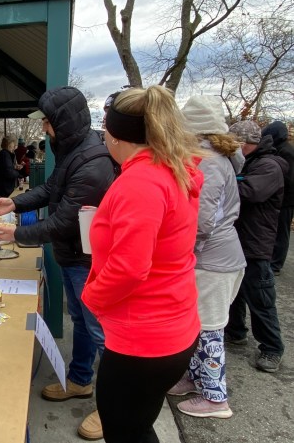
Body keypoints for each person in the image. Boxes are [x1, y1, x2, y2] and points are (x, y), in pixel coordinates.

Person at [0, 86, 117, 441]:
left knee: (102, 334)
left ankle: (114, 410)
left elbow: (64, 219)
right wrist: (13, 205)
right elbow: (51, 191)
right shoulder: (75, 150)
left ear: (63, 121)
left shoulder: (94, 161)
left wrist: (15, 235)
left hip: (87, 260)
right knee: (83, 323)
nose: (44, 128)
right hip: (73, 257)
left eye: (47, 121)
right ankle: (80, 380)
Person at [81, 86, 204, 442]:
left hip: (143, 339)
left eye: (104, 127)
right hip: (174, 327)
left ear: (116, 133)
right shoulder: (170, 171)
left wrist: (92, 298)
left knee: (124, 431)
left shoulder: (141, 182)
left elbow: (130, 268)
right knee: (138, 424)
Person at [168, 95, 246, 419]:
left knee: (211, 328)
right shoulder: (217, 157)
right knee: (198, 326)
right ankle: (195, 378)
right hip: (217, 258)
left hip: (214, 261)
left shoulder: (209, 162)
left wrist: (173, 242)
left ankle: (216, 399)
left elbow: (201, 220)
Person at [225, 120, 287, 373]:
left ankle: (272, 348)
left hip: (255, 243)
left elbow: (250, 192)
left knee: (260, 298)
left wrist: (224, 181)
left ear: (245, 144)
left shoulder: (269, 166)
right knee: (234, 293)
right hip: (238, 239)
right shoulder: (249, 162)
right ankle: (235, 331)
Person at [261, 121, 294, 275]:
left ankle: (276, 264)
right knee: (276, 230)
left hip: (286, 200)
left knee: (282, 232)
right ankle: (273, 259)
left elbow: (288, 179)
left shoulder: (287, 152)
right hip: (281, 198)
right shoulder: (280, 150)